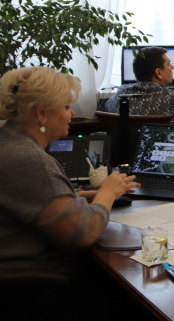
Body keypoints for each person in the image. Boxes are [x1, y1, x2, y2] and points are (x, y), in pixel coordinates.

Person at [0, 67, 139, 293]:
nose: (72, 114)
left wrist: (96, 193)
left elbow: (44, 199)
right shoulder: (29, 159)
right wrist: (107, 193)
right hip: (35, 284)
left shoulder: (9, 141)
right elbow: (84, 232)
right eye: (66, 107)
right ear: (41, 113)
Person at [103, 46, 174, 123]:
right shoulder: (173, 99)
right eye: (168, 64)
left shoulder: (119, 95)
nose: (173, 67)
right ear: (158, 72)